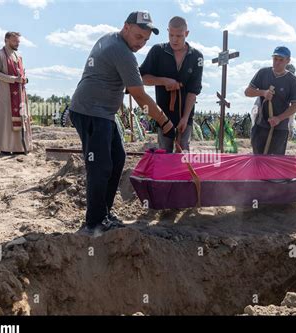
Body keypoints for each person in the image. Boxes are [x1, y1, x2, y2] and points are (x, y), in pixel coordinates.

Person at [69, 11, 175, 236]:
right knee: (100, 166)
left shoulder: (112, 39)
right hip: (91, 111)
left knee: (117, 159)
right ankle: (94, 224)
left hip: (104, 113)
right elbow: (139, 96)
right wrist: (164, 122)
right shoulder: (121, 51)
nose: (141, 44)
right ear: (125, 27)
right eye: (138, 37)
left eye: (145, 40)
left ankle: (103, 214)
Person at [139, 16, 203, 152]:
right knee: (164, 151)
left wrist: (185, 118)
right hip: (163, 114)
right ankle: (165, 173)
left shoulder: (196, 57)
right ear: (167, 31)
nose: (174, 39)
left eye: (179, 36)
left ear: (186, 34)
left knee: (183, 150)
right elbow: (142, 78)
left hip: (186, 113)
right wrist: (163, 81)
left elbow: (193, 91)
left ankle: (182, 174)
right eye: (171, 35)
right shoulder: (158, 51)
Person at [244, 46, 296, 154]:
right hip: (261, 125)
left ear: (287, 61)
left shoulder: (292, 80)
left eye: (281, 60)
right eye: (275, 59)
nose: (277, 62)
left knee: (275, 163)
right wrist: (263, 92)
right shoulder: (263, 73)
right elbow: (248, 92)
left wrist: (279, 118)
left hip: (280, 129)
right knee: (258, 161)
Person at [0, 31, 32, 155]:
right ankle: (5, 147)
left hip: (20, 93)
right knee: (6, 120)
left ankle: (19, 147)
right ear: (6, 40)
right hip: (5, 94)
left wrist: (24, 79)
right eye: (15, 41)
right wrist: (13, 79)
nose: (17, 44)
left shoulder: (19, 57)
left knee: (21, 117)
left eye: (18, 42)